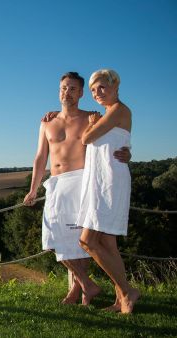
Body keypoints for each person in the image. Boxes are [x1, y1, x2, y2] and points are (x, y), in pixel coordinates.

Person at [24, 71, 131, 305]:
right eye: (64, 87)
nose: (68, 92)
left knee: (79, 240)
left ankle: (79, 291)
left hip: (84, 181)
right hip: (57, 183)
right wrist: (33, 189)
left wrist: (127, 152)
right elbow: (40, 157)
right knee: (53, 238)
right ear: (59, 89)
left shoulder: (92, 116)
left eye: (73, 89)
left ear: (81, 93)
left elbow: (114, 140)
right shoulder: (47, 122)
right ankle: (85, 285)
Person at [77, 69, 139, 314]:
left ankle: (127, 291)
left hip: (110, 184)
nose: (97, 93)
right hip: (100, 183)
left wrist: (91, 124)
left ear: (115, 86)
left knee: (87, 241)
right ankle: (119, 300)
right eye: (93, 90)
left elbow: (86, 138)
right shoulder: (110, 115)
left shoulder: (118, 111)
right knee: (108, 244)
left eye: (101, 87)